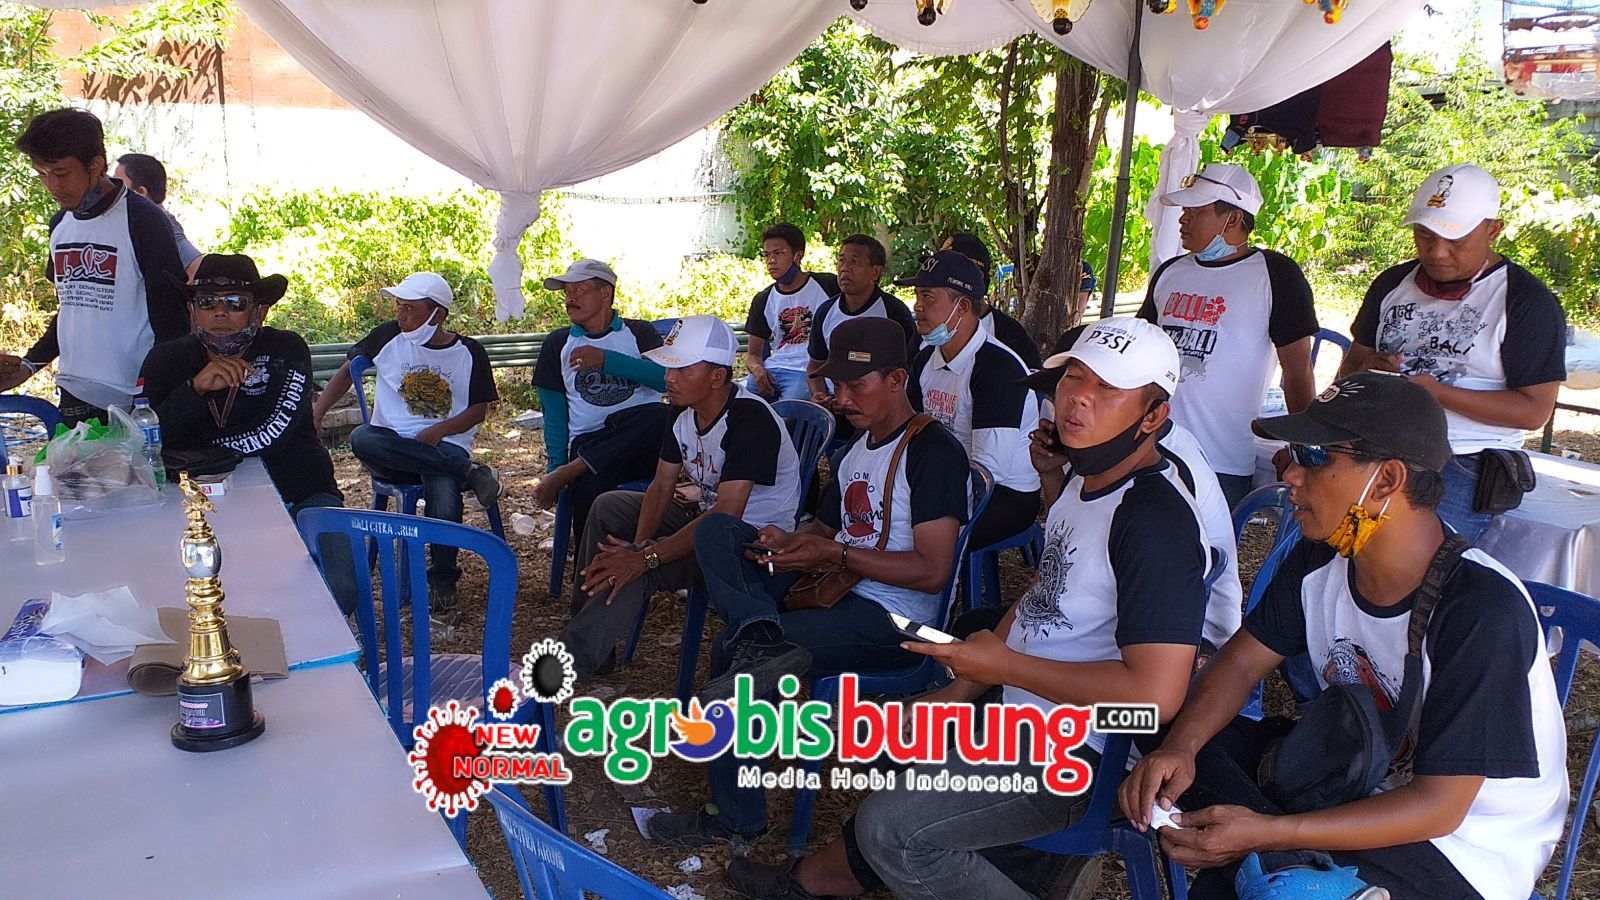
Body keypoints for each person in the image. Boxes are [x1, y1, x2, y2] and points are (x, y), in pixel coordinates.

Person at [727, 316, 1213, 900]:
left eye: (1108, 388)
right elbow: (1044, 597)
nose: (1079, 399)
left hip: (1083, 752)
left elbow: (1156, 694)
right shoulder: (1086, 483)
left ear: (1153, 416)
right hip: (1027, 712)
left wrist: (1003, 669)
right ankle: (828, 879)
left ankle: (865, 872)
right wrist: (958, 692)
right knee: (888, 747)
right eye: (1073, 378)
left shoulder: (1154, 520)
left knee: (893, 831)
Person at [1121, 372, 1567, 900]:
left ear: (1386, 480)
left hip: (1460, 846)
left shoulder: (1480, 609)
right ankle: (1278, 862)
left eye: (1313, 457)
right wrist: (1183, 747)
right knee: (1156, 720)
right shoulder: (1323, 555)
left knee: (1246, 886)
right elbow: (1240, 664)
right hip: (1348, 776)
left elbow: (1439, 808)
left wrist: (1267, 832)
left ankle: (1271, 862)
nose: (1290, 475)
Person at [646, 317, 968, 848]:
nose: (842, 398)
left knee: (735, 659)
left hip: (894, 621)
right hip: (832, 585)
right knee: (720, 532)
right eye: (837, 385)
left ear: (897, 379)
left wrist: (833, 552)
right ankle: (759, 634)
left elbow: (932, 573)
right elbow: (824, 526)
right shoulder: (855, 451)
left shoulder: (932, 451)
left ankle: (736, 817)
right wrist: (791, 541)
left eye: (856, 385)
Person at [557, 316, 802, 681]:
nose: (669, 378)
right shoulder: (682, 411)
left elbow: (727, 514)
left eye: (682, 369)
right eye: (669, 367)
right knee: (609, 506)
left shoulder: (749, 419)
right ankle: (592, 635)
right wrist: (638, 546)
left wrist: (644, 557)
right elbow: (661, 485)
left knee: (640, 567)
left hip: (744, 546)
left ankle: (569, 661)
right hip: (705, 524)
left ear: (717, 377)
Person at [1339, 164, 1566, 542]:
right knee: (1345, 553)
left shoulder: (1524, 302)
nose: (1437, 252)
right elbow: (1348, 371)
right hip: (1376, 448)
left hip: (1462, 461)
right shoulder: (1393, 283)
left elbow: (1534, 411)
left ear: (1493, 230)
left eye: (1455, 240)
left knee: (1422, 567)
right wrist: (1367, 370)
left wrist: (1437, 393)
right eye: (1425, 235)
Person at [138, 254, 357, 613]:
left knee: (340, 592)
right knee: (174, 595)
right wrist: (194, 391)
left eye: (236, 303)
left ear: (260, 312)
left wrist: (196, 449)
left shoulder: (285, 349)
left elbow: (273, 433)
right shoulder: (166, 359)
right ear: (192, 310)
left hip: (300, 494)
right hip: (197, 506)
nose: (220, 313)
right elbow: (145, 442)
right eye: (207, 303)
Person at [1138, 162, 1319, 512]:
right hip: (1149, 445)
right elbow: (1142, 350)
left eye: (1195, 211)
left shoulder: (1274, 274)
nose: (1182, 219)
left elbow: (1297, 373)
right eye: (1184, 211)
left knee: (1207, 542)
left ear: (1232, 218)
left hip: (1220, 459)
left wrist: (1304, 450)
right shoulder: (1171, 272)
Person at [314, 272, 500, 611]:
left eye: (410, 309)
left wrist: (441, 430)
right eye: (399, 307)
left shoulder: (470, 352)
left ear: (437, 315)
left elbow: (478, 410)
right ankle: (468, 471)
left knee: (442, 487)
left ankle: (442, 580)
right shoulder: (388, 336)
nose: (400, 316)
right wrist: (317, 413)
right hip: (392, 447)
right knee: (362, 437)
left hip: (445, 446)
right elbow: (346, 371)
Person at [0, 108, 187, 426]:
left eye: (61, 173)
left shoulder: (142, 220)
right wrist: (30, 364)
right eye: (42, 174)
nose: (52, 186)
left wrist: (151, 396)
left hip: (134, 398)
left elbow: (173, 321)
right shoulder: (60, 224)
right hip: (74, 392)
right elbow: (71, 308)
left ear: (95, 165)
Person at [528, 258, 675, 574]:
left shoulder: (639, 332)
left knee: (662, 415)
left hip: (643, 444)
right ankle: (591, 580)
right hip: (591, 444)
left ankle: (574, 470)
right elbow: (555, 415)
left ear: (606, 293)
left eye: (579, 289)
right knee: (591, 487)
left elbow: (667, 380)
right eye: (566, 292)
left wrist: (606, 360)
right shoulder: (557, 343)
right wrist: (556, 465)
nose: (570, 298)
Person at [900, 249, 1042, 549]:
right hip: (944, 477)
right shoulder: (925, 359)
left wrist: (925, 490)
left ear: (962, 306)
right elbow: (910, 427)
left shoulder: (997, 369)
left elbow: (988, 471)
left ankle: (935, 579)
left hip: (1004, 493)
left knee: (912, 535)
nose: (917, 307)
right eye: (917, 296)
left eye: (928, 297)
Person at [805, 233, 917, 407]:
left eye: (855, 262)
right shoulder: (825, 312)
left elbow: (908, 372)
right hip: (835, 405)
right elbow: (814, 367)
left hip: (880, 409)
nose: (845, 268)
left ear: (875, 272)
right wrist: (820, 395)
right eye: (842, 260)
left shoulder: (894, 313)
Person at [744, 223, 839, 401]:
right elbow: (753, 354)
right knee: (745, 406)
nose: (771, 260)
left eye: (778, 253)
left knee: (790, 409)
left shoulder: (828, 286)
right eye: (766, 255)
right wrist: (757, 370)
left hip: (806, 371)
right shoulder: (763, 299)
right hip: (772, 369)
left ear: (798, 255)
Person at [937, 232, 1042, 369]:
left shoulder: (1009, 334)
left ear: (978, 278)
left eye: (949, 273)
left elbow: (1033, 379)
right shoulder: (929, 329)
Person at [113, 152, 203, 278]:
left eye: (119, 186)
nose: (113, 190)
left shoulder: (160, 222)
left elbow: (197, 265)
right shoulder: (136, 222)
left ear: (141, 192)